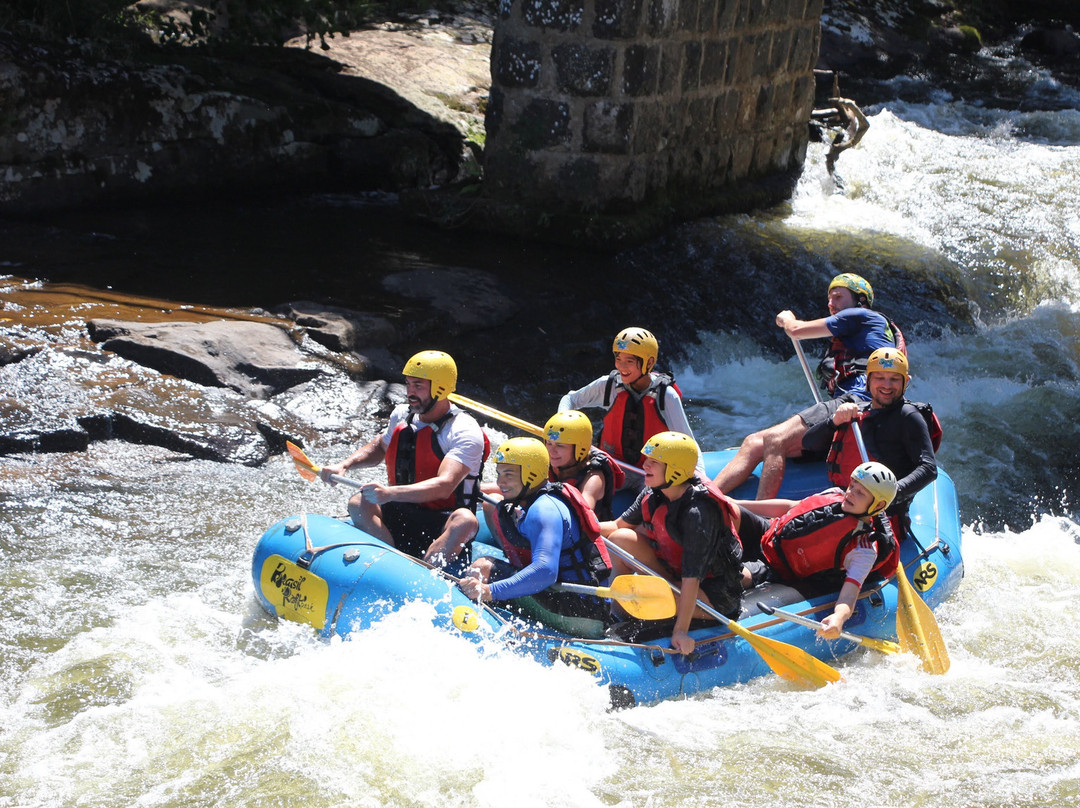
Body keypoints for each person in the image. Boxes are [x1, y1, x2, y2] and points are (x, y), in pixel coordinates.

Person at [713, 273, 903, 499]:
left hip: (856, 402)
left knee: (775, 439)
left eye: (838, 296)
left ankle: (761, 520)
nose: (831, 304)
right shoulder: (864, 330)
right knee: (754, 443)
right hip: (847, 410)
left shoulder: (859, 315)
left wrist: (786, 318)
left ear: (860, 300)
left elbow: (796, 330)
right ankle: (707, 498)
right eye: (829, 299)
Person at [320, 350, 487, 566]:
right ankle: (391, 563)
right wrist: (344, 465)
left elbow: (445, 485)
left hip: (441, 520)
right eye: (408, 384)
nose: (410, 392)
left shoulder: (463, 430)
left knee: (466, 520)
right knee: (358, 502)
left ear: (441, 387)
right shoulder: (402, 415)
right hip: (401, 511)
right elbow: (380, 447)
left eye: (418, 386)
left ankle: (426, 572)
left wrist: (389, 493)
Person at [602, 431, 743, 656]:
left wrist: (681, 631)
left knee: (646, 598)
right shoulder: (654, 492)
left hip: (713, 593)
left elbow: (691, 579)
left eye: (653, 462)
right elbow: (618, 526)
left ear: (675, 469)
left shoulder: (698, 513)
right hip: (674, 574)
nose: (644, 465)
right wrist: (578, 525)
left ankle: (639, 611)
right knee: (620, 540)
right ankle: (616, 614)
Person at [458, 437, 613, 638]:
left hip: (578, 614)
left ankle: (470, 629)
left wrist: (490, 590)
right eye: (499, 473)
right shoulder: (536, 499)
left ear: (531, 474)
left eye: (508, 474)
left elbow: (545, 571)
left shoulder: (544, 509)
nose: (500, 482)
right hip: (572, 604)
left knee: (482, 568)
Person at [735, 461, 899, 639]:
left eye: (860, 493)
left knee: (740, 576)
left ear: (878, 506)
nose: (850, 493)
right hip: (769, 532)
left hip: (776, 568)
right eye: (852, 486)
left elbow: (848, 596)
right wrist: (735, 503)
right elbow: (791, 507)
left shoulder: (863, 549)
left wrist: (839, 618)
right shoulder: (835, 494)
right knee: (729, 511)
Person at [803, 346, 938, 525]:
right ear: (868, 380)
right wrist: (833, 422)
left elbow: (929, 468)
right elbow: (808, 443)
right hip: (846, 502)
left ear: (906, 381)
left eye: (894, 379)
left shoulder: (908, 416)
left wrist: (891, 493)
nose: (887, 385)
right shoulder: (856, 410)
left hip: (880, 513)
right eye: (879, 378)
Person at [557, 327, 705, 485]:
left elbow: (688, 441)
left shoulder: (666, 396)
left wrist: (701, 476)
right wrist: (563, 425)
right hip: (612, 468)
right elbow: (570, 399)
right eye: (618, 360)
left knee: (651, 496)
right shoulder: (609, 385)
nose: (622, 367)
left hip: (648, 473)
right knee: (586, 483)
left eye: (629, 362)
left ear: (649, 363)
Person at [543, 410, 625, 521]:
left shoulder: (593, 477)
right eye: (549, 443)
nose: (551, 451)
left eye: (560, 446)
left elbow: (582, 514)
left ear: (579, 448)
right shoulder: (548, 463)